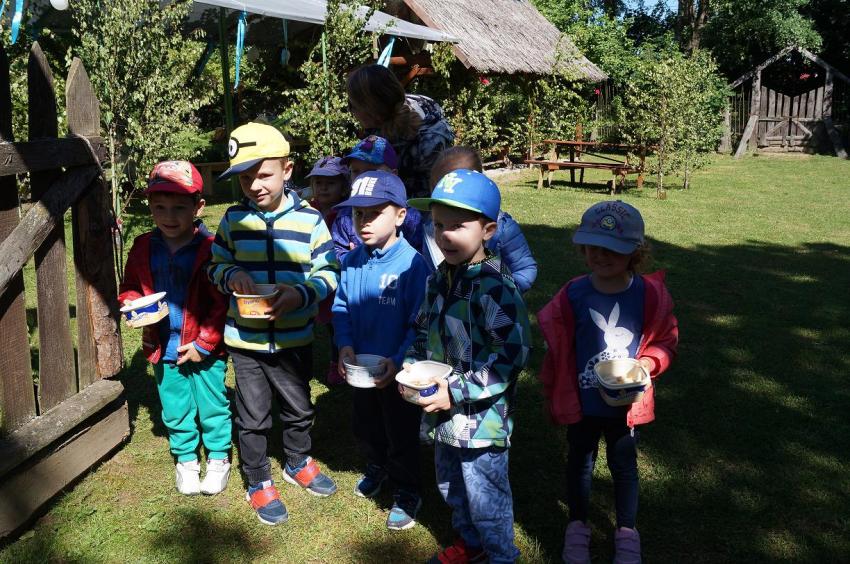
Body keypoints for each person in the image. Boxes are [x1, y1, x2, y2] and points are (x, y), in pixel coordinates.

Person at [208, 122, 340, 526]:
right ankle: (258, 479)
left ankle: (297, 460)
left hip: (293, 339)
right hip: (245, 341)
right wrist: (231, 275)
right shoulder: (232, 220)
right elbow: (215, 265)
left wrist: (301, 294)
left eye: (263, 174)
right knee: (253, 416)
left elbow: (329, 271)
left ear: (288, 169)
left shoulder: (311, 220)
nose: (254, 185)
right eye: (245, 178)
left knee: (299, 407)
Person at [536, 201, 678, 563]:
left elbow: (665, 338)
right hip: (582, 403)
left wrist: (648, 362)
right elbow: (556, 337)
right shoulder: (574, 293)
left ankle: (627, 532)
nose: (601, 256)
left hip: (625, 405)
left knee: (624, 466)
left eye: (612, 248)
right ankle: (577, 526)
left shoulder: (648, 294)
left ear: (634, 251)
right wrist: (553, 381)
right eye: (593, 247)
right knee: (579, 463)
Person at [405, 170, 532, 564]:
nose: (445, 235)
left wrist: (456, 391)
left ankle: (500, 556)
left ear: (488, 230)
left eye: (457, 226)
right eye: (438, 225)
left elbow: (511, 355)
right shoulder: (438, 279)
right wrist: (410, 368)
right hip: (443, 415)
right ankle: (471, 545)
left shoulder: (496, 288)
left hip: (482, 422)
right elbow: (423, 330)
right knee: (450, 486)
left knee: (486, 498)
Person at [118, 161, 231, 496]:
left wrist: (205, 343)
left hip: (205, 347)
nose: (169, 216)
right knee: (175, 406)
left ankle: (218, 457)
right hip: (162, 345)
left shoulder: (211, 249)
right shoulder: (143, 246)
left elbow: (222, 303)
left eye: (179, 207)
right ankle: (186, 459)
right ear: (150, 207)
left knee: (212, 403)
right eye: (160, 207)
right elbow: (130, 286)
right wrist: (132, 303)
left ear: (198, 207)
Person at [331, 170, 430, 531]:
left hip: (399, 372)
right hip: (361, 369)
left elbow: (419, 322)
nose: (365, 221)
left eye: (375, 213)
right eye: (358, 214)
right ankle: (378, 466)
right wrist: (344, 345)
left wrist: (400, 359)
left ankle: (407, 489)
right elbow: (342, 307)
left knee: (401, 431)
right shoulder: (352, 261)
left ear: (400, 215)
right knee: (366, 424)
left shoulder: (413, 265)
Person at [423, 146, 538, 293]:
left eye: (455, 185)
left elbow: (525, 268)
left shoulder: (503, 228)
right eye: (437, 185)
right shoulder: (430, 226)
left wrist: (506, 290)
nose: (444, 192)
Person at [346, 64, 454, 199]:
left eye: (352, 105)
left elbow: (431, 199)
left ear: (370, 108)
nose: (350, 111)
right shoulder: (378, 130)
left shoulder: (428, 142)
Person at [331, 135, 423, 260]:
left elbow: (418, 256)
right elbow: (339, 251)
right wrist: (352, 259)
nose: (363, 177)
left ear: (393, 175)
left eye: (371, 171)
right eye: (356, 171)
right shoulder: (344, 217)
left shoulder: (410, 218)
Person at [306, 156, 350, 386]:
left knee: (335, 322)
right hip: (311, 273)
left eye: (330, 183)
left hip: (337, 276)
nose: (323, 188)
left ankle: (337, 361)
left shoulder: (345, 213)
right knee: (311, 318)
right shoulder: (307, 211)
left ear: (343, 187)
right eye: (318, 182)